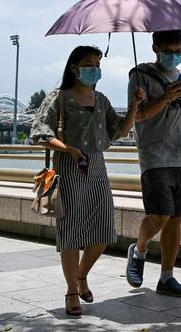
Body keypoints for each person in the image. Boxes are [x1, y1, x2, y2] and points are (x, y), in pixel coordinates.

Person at [30, 45, 145, 316]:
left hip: (96, 168)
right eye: (89, 64)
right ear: (74, 68)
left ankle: (81, 276)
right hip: (68, 167)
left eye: (97, 64)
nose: (95, 69)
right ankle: (72, 291)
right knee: (69, 235)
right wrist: (67, 148)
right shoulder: (58, 98)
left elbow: (120, 131)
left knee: (104, 232)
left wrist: (134, 107)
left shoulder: (102, 100)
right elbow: (39, 132)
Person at [125, 29, 181, 297]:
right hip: (155, 155)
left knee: (175, 218)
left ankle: (166, 277)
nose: (173, 56)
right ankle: (139, 248)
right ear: (155, 48)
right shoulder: (140, 76)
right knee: (159, 214)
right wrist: (165, 97)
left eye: (178, 51)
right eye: (168, 51)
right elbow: (138, 116)